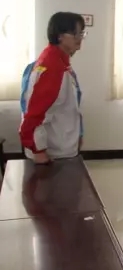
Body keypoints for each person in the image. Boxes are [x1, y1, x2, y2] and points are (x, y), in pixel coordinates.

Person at [20, 12, 86, 164]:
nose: (80, 38)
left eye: (82, 33)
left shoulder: (61, 62)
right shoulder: (51, 67)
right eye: (76, 34)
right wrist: (39, 152)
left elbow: (70, 105)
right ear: (60, 36)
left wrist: (78, 134)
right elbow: (34, 115)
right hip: (53, 154)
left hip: (62, 147)